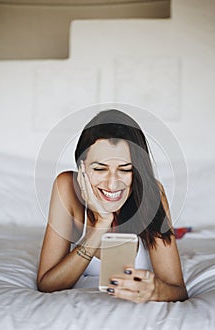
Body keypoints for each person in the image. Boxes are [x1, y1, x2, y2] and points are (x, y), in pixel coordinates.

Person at [37, 109, 188, 303]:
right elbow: (47, 284)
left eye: (125, 170)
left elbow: (178, 290)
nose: (112, 184)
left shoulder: (152, 193)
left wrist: (156, 291)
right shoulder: (66, 186)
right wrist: (101, 223)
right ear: (82, 168)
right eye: (100, 169)